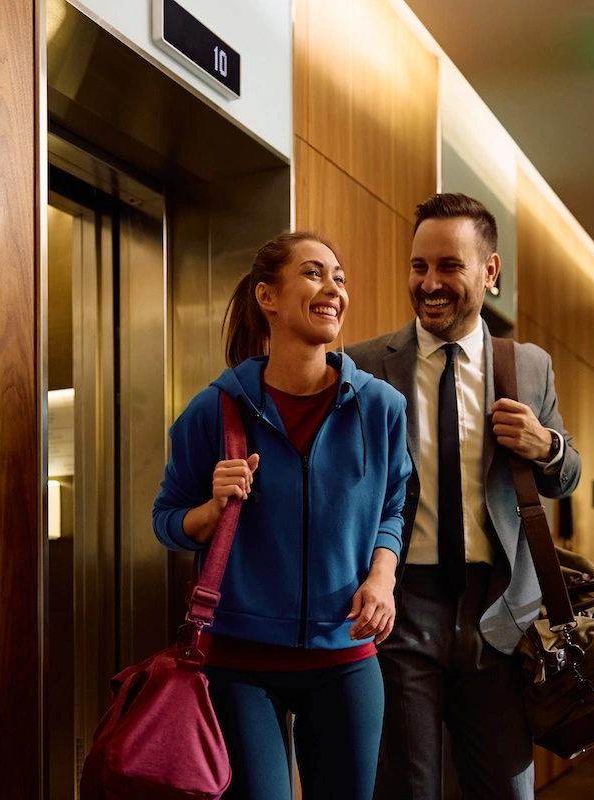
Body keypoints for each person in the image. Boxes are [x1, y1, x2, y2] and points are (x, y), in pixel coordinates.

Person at [153, 231, 413, 800]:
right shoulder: (213, 410)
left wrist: (383, 577)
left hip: (345, 657)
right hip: (239, 662)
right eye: (315, 273)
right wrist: (211, 509)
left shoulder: (381, 408)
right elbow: (167, 520)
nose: (333, 289)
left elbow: (394, 505)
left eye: (339, 278)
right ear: (267, 297)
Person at [347, 193, 581, 800]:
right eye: (419, 266)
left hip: (500, 613)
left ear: (489, 272)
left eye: (450, 266)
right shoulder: (366, 365)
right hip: (400, 610)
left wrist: (545, 444)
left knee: (507, 789)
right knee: (408, 787)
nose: (430, 283)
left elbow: (568, 475)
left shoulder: (527, 366)